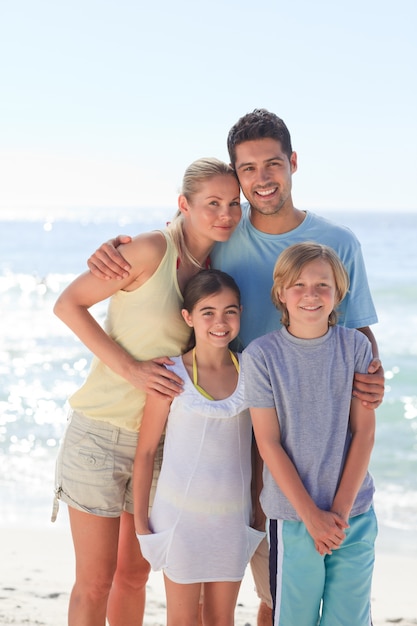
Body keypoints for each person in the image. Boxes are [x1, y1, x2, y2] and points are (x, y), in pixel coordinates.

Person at [87, 109, 385, 625]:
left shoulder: (339, 243)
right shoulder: (226, 232)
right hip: (240, 421)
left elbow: (358, 333)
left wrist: (375, 374)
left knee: (274, 588)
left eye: (273, 164)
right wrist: (116, 250)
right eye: (248, 169)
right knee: (236, 565)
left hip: (314, 436)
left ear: (293, 163)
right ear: (237, 175)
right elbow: (177, 238)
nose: (262, 178)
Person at [51, 158, 241, 626]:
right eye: (212, 203)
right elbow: (67, 304)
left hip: (160, 447)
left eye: (234, 204)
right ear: (184, 204)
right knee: (95, 582)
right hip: (99, 434)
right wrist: (131, 369)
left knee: (134, 577)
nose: (225, 214)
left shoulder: (216, 262)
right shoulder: (149, 250)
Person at [243, 242, 377, 625]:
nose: (311, 294)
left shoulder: (355, 347)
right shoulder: (261, 356)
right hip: (292, 519)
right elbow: (268, 443)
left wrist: (338, 514)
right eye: (299, 285)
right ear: (281, 293)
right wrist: (312, 518)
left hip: (354, 513)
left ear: (339, 293)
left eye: (323, 285)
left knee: (348, 620)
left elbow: (364, 433)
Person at [133, 269, 264, 626]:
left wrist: (256, 509)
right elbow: (145, 453)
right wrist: (141, 523)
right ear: (188, 317)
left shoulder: (251, 370)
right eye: (208, 312)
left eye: (230, 311)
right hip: (180, 521)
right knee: (183, 620)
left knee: (222, 620)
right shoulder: (171, 374)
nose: (220, 322)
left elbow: (256, 447)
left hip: (232, 521)